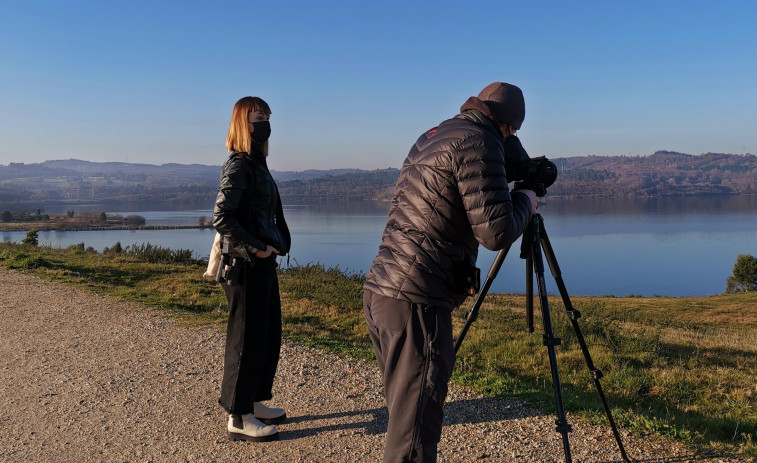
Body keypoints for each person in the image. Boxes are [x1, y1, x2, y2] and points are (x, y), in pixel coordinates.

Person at [363, 82, 539, 462]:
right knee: (414, 435)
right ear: (508, 125)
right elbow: (497, 231)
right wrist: (527, 199)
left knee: (405, 418)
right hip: (417, 302)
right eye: (513, 133)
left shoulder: (436, 134)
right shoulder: (480, 142)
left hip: (383, 290)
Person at [212, 96, 291, 442]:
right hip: (243, 267)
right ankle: (238, 416)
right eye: (259, 116)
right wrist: (257, 248)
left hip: (261, 265)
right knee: (245, 340)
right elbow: (222, 217)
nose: (265, 122)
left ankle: (253, 401)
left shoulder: (257, 164)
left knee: (266, 334)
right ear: (244, 122)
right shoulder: (239, 165)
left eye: (267, 116)